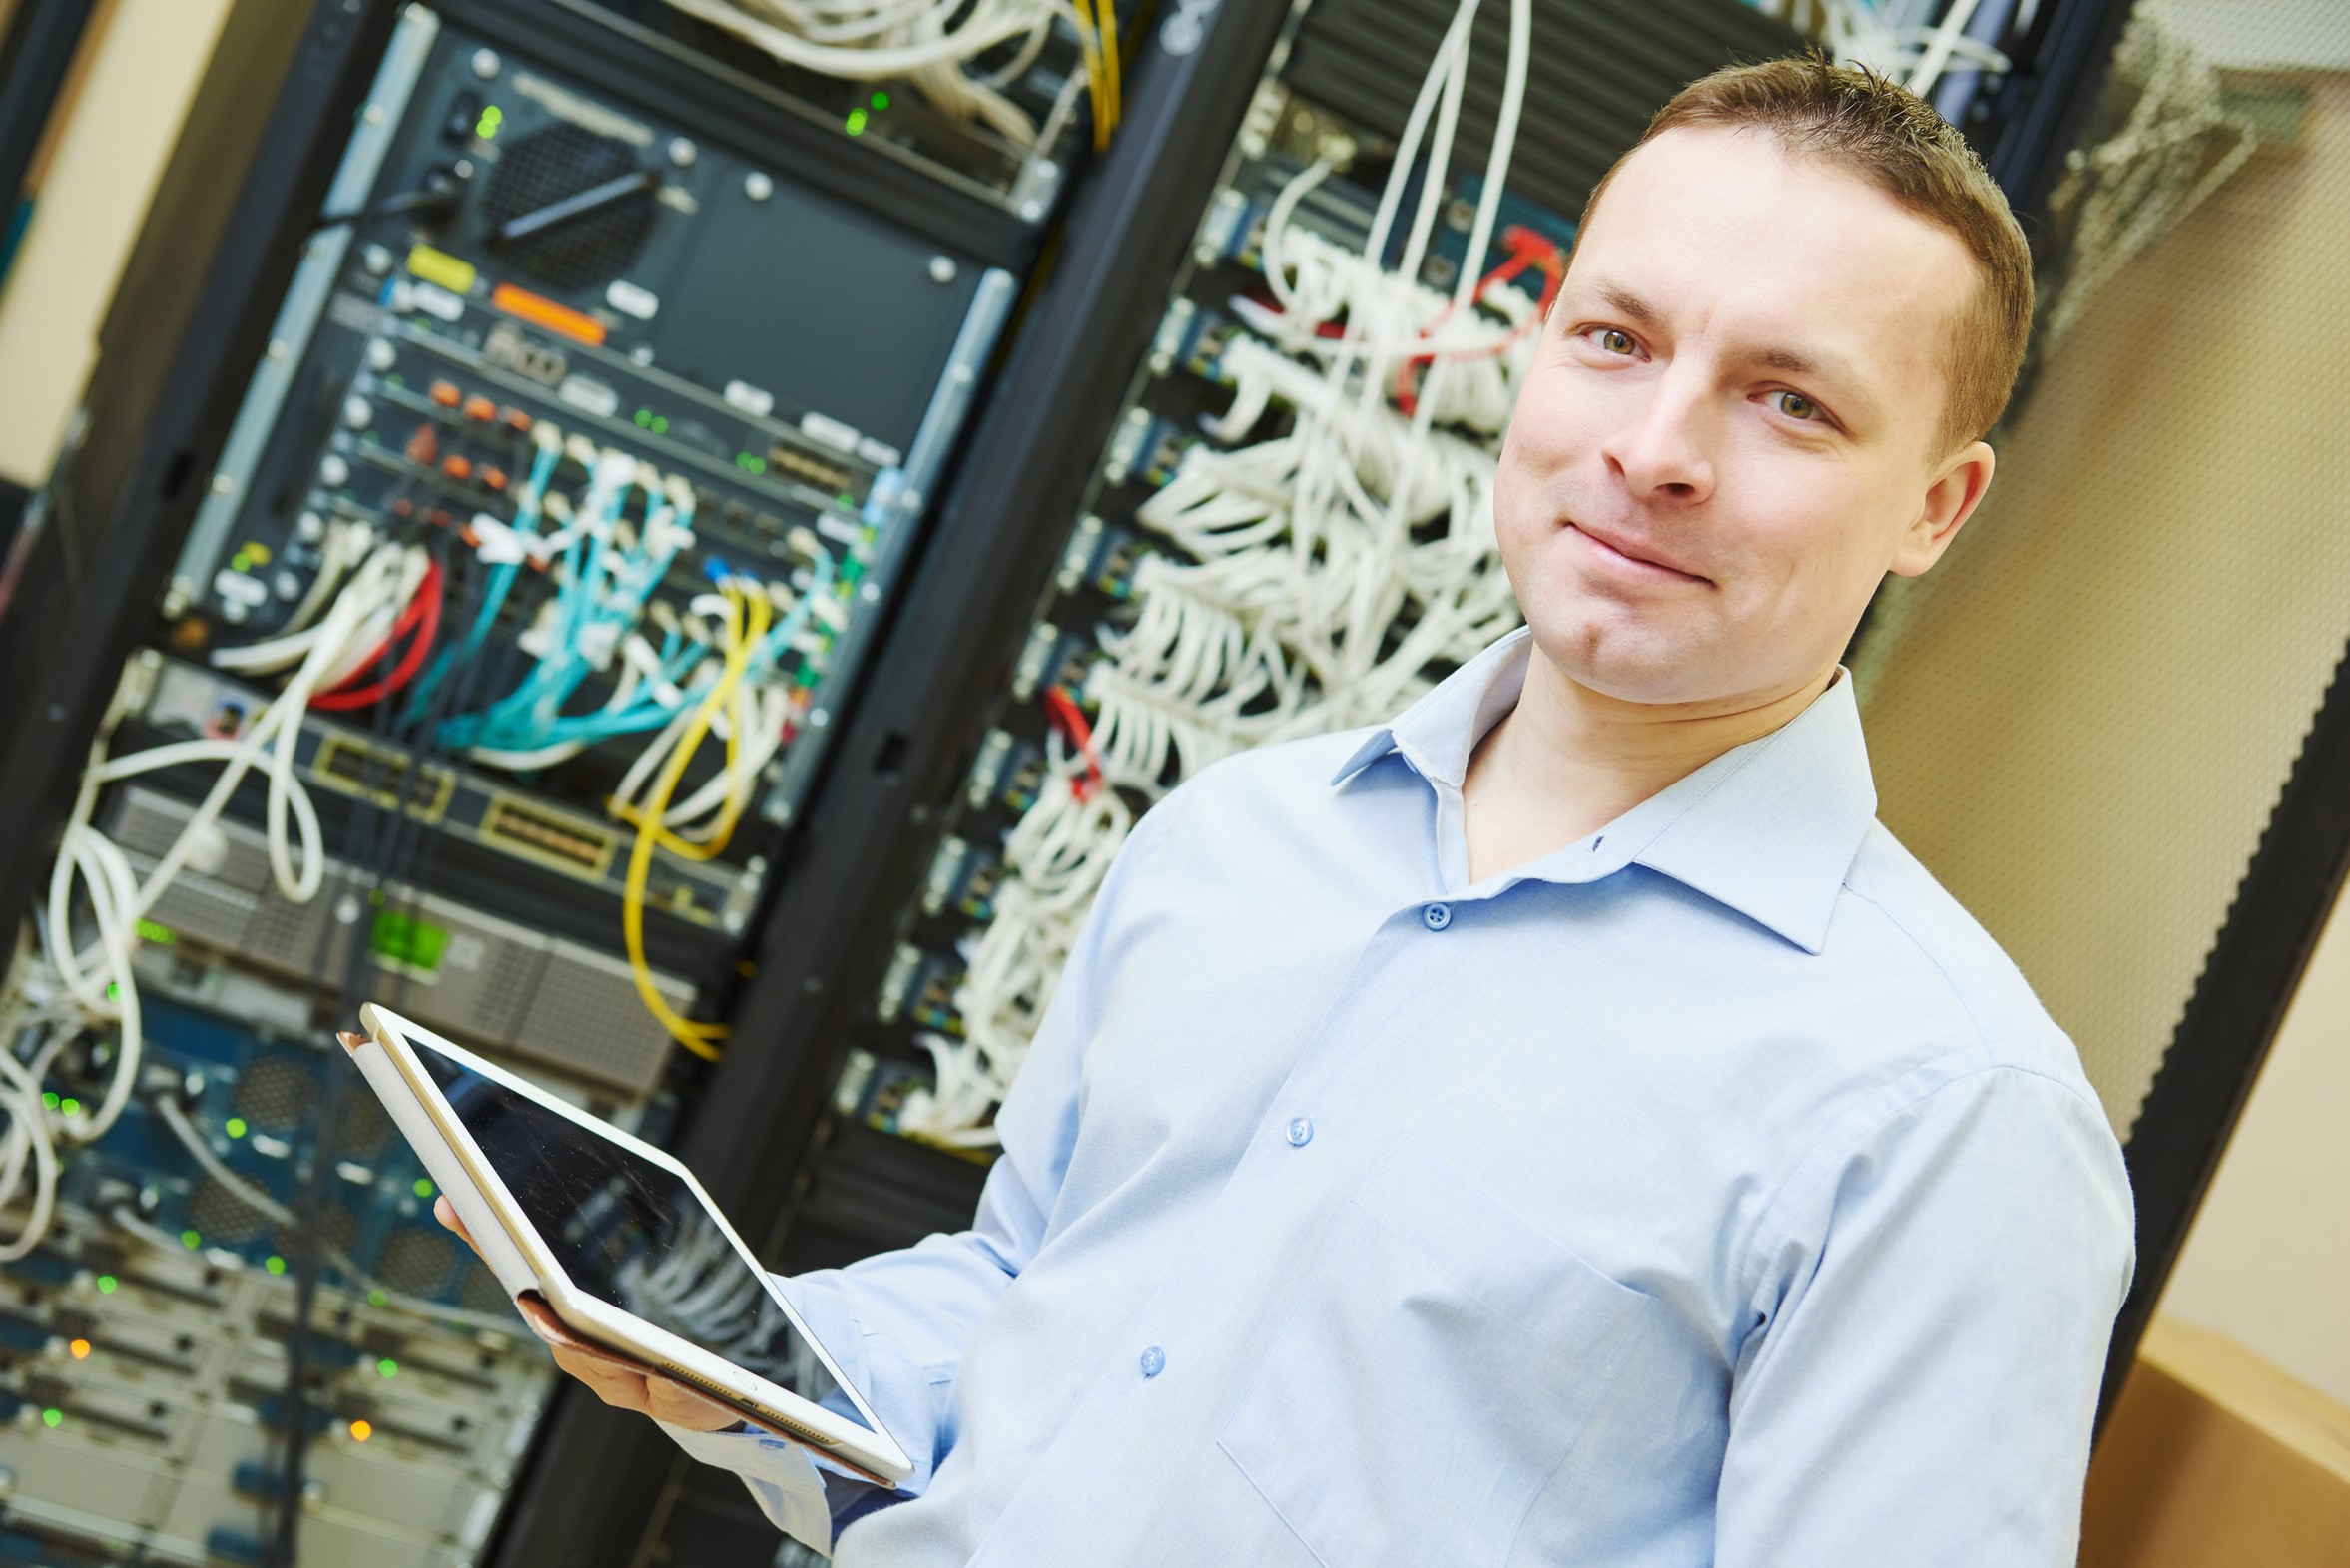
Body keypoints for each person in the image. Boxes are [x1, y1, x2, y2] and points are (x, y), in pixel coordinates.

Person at [446, 55, 2134, 1565]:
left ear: (1932, 505)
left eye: (1789, 401)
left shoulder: (1943, 1114)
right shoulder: (1237, 842)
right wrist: (732, 1356)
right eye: (1615, 341)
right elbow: (1034, 1307)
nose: (1656, 448)